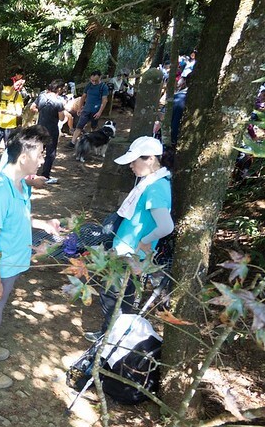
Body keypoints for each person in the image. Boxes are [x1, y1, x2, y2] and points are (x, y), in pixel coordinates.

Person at [0, 126, 61, 389]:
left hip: (11, 264)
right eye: (40, 154)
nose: (43, 159)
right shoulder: (0, 192)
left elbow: (17, 218)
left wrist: (43, 223)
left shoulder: (19, 183)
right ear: (24, 156)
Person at [84, 136, 174, 342]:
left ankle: (109, 338)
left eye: (135, 161)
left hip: (131, 253)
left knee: (113, 295)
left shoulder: (155, 187)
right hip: (127, 249)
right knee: (120, 294)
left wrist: (145, 240)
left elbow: (166, 226)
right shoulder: (153, 181)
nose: (131, 165)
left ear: (151, 159)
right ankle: (111, 334)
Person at [30, 79, 66, 184]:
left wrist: (41, 112)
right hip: (51, 130)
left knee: (37, 150)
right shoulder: (58, 101)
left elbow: (32, 108)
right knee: (50, 153)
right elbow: (61, 118)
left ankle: (31, 172)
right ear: (59, 89)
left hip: (40, 128)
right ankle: (45, 176)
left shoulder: (41, 96)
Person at [70, 71, 109, 147]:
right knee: (79, 126)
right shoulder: (89, 85)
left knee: (93, 127)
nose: (93, 82)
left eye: (96, 81)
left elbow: (105, 100)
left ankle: (92, 143)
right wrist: (79, 108)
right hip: (86, 109)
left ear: (100, 77)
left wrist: (100, 112)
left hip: (96, 110)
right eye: (92, 80)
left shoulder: (103, 87)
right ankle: (72, 142)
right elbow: (83, 97)